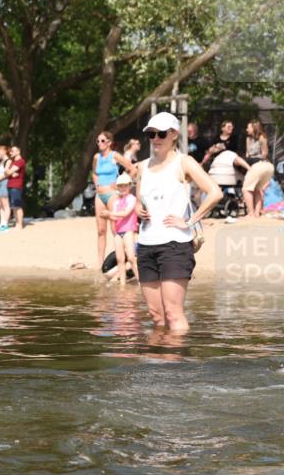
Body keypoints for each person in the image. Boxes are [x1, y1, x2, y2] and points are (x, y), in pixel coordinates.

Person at [135, 111, 222, 333]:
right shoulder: (142, 167)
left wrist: (190, 221)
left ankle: (177, 356)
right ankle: (158, 354)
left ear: (174, 134)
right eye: (151, 134)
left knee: (173, 313)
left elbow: (215, 193)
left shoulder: (184, 162)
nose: (155, 139)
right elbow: (139, 199)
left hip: (174, 245)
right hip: (145, 245)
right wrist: (138, 208)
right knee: (156, 316)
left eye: (161, 134)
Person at [92, 131, 135, 268]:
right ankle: (100, 263)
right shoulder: (96, 157)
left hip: (112, 194)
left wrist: (121, 183)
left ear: (109, 142)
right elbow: (94, 173)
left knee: (115, 228)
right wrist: (96, 184)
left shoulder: (115, 155)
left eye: (102, 141)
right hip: (99, 195)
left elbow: (132, 169)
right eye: (98, 141)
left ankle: (123, 259)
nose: (99, 143)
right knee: (100, 230)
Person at [105, 173, 138, 285]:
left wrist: (109, 213)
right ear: (117, 187)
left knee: (131, 258)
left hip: (128, 230)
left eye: (125, 186)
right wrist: (107, 216)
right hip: (118, 232)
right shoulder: (116, 202)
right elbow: (115, 217)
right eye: (120, 186)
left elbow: (125, 213)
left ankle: (140, 282)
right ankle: (122, 285)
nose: (123, 188)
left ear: (129, 186)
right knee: (120, 259)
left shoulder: (132, 199)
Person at [4, 145, 28, 231]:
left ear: (18, 151)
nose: (11, 153)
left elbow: (8, 172)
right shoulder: (13, 162)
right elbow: (7, 174)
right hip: (10, 185)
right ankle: (17, 223)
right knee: (13, 207)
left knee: (17, 206)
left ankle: (20, 225)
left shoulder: (20, 161)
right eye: (10, 151)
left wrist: (8, 168)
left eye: (13, 151)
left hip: (16, 186)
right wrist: (9, 172)